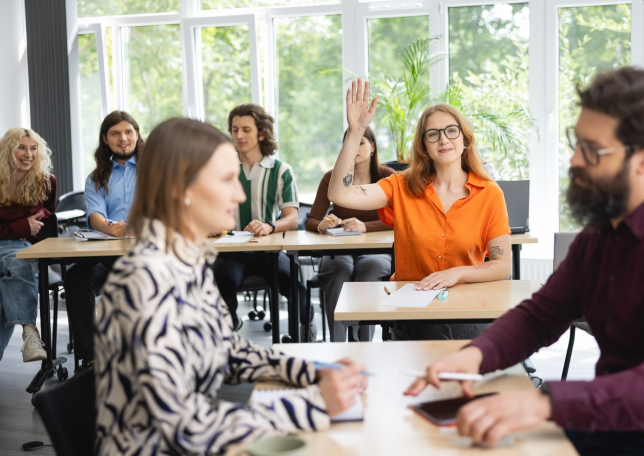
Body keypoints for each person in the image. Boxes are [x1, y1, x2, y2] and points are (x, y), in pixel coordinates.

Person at [404, 67, 644, 456]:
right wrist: (471, 357)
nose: (574, 160)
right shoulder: (602, 233)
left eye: (592, 150)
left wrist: (543, 403)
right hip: (614, 425)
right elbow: (540, 317)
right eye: (576, 142)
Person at [94, 117, 368, 456]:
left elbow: (228, 351)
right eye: (226, 180)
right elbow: (185, 428)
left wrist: (313, 371)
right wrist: (315, 404)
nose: (238, 194)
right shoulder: (144, 282)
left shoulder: (185, 262)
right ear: (180, 188)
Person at [327, 79, 512, 340]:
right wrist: (356, 132)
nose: (443, 139)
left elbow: (502, 266)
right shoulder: (400, 186)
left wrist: (456, 273)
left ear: (465, 139)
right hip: (413, 311)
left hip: (466, 307)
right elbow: (339, 194)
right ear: (424, 146)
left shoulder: (489, 194)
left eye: (451, 131)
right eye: (433, 134)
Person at [212, 103, 316, 340]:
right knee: (221, 279)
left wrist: (269, 226)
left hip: (269, 252)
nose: (239, 135)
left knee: (291, 282)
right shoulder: (221, 169)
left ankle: (306, 326)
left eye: (246, 130)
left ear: (261, 133)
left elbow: (292, 218)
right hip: (231, 253)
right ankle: (229, 328)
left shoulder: (281, 171)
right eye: (235, 129)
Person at [63, 111, 142, 372]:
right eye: (115, 133)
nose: (123, 138)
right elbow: (95, 214)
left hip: (145, 253)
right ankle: (89, 359)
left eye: (128, 132)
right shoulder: (96, 177)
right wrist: (110, 228)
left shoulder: (155, 170)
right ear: (105, 139)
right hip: (107, 253)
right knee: (75, 278)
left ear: (137, 135)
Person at [305, 126, 395, 341]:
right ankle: (337, 343)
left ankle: (363, 341)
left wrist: (366, 226)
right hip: (339, 250)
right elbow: (311, 220)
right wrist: (323, 224)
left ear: (373, 147)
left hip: (376, 251)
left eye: (360, 142)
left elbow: (401, 219)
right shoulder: (332, 177)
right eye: (350, 143)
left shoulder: (388, 177)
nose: (354, 148)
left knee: (371, 270)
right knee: (337, 271)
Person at [0, 128, 56, 363]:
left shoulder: (45, 181)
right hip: (7, 244)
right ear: (7, 151)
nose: (28, 154)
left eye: (33, 148)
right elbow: (27, 226)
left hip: (24, 249)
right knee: (17, 268)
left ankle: (30, 335)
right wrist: (22, 227)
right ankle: (31, 332)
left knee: (18, 267)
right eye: (21, 147)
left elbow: (49, 213)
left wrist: (37, 220)